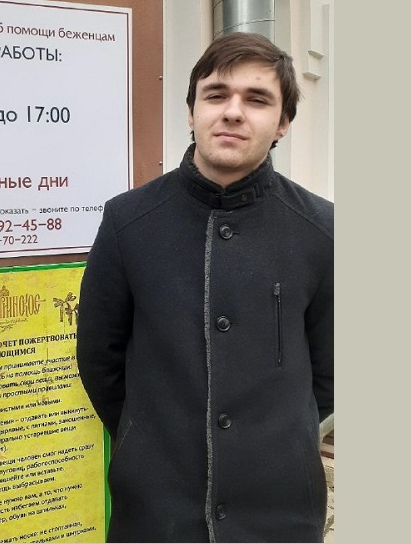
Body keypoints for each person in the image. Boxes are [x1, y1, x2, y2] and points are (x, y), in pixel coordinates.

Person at [76, 32, 333, 543]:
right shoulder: (129, 221)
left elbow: (331, 369)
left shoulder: (321, 229)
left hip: (279, 512)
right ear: (192, 112)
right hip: (157, 510)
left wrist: (283, 437)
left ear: (283, 123)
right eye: (216, 94)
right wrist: (145, 439)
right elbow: (100, 358)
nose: (233, 112)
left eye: (256, 99)